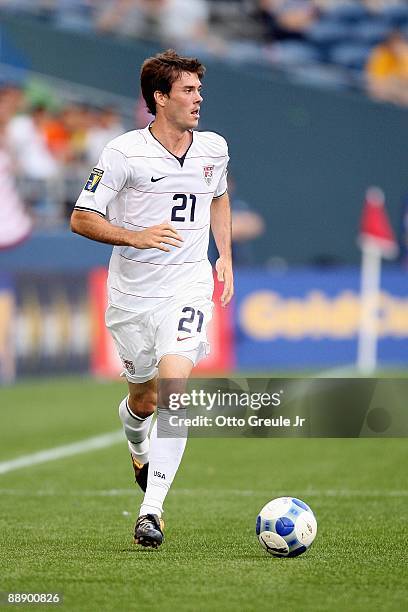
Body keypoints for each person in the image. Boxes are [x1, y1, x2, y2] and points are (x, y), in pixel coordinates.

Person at [71, 49, 233, 548]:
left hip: (188, 284)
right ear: (159, 98)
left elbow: (219, 194)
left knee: (173, 390)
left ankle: (151, 510)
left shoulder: (214, 148)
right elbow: (81, 217)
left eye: (199, 90)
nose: (198, 99)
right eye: (187, 90)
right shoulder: (123, 153)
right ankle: (137, 446)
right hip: (132, 295)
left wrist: (224, 253)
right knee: (142, 400)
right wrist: (134, 236)